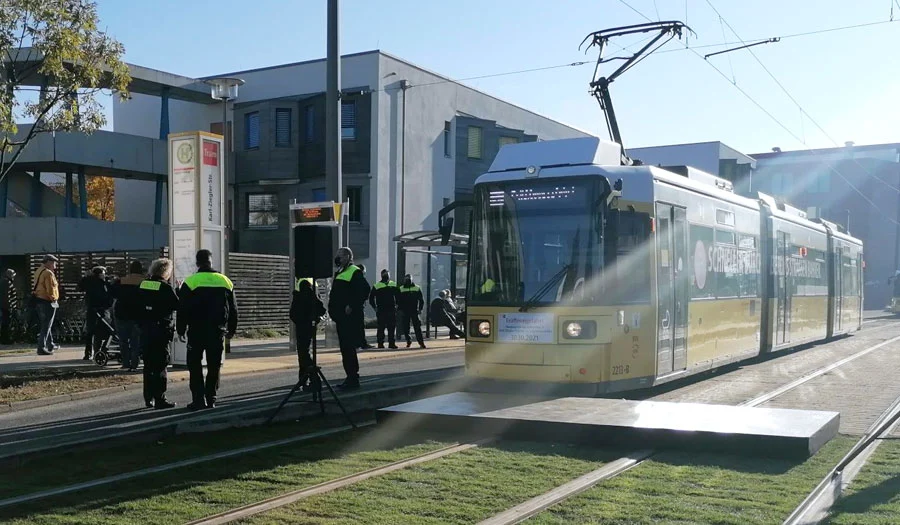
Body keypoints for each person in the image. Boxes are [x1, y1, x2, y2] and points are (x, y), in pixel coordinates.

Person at [177, 250, 238, 411]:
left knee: (195, 365)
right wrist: (232, 329)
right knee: (214, 366)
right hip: (217, 331)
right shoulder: (225, 281)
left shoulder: (190, 282)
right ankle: (211, 398)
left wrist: (181, 329)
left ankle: (198, 399)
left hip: (196, 330)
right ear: (211, 262)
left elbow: (182, 309)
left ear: (197, 263)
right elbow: (233, 309)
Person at [137, 258, 178, 409]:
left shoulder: (144, 284)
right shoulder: (165, 288)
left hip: (146, 330)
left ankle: (148, 398)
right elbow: (176, 304)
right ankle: (160, 398)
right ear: (165, 272)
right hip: (161, 330)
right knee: (160, 365)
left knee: (148, 365)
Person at [327, 247, 370, 390]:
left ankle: (353, 378)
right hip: (340, 317)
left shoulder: (354, 271)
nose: (337, 258)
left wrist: (351, 305)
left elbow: (365, 290)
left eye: (340, 255)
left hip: (348, 318)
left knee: (348, 348)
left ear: (347, 256)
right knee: (345, 349)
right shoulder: (340, 272)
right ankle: (350, 377)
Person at [289, 277, 326, 391]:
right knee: (302, 353)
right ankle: (303, 380)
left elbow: (320, 308)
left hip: (305, 325)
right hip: (303, 325)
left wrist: (310, 319)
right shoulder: (306, 281)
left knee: (304, 353)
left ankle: (314, 379)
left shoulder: (306, 282)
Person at [110, 260, 146, 370]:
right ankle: (135, 363)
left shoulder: (120, 281)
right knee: (136, 341)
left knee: (123, 341)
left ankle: (125, 363)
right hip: (138, 315)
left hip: (121, 314)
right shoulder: (145, 282)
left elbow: (112, 294)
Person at [78, 266, 113, 360]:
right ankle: (101, 351)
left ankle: (88, 353)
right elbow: (108, 295)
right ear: (101, 273)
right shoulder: (103, 282)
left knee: (90, 331)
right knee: (105, 330)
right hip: (102, 309)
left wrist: (85, 277)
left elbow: (80, 287)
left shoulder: (89, 281)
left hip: (92, 308)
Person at [33, 255, 60, 355]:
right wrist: (54, 300)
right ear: (48, 262)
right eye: (54, 262)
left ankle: (50, 344)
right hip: (47, 301)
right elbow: (50, 289)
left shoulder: (39, 270)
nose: (55, 265)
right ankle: (41, 348)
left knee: (45, 324)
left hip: (39, 300)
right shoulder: (48, 273)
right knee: (46, 326)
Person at [369, 269, 399, 349]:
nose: (386, 276)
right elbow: (371, 298)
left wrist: (397, 305)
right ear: (382, 275)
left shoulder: (393, 284)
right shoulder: (377, 286)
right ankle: (380, 343)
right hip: (381, 310)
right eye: (385, 274)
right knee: (381, 328)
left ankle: (391, 343)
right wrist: (375, 308)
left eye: (387, 274)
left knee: (391, 327)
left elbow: (399, 296)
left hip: (391, 309)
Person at [397, 274, 426, 349]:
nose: (408, 281)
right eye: (407, 279)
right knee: (406, 328)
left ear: (412, 279)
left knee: (417, 327)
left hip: (414, 311)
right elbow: (398, 301)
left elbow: (421, 300)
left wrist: (420, 309)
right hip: (405, 311)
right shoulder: (401, 288)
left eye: (409, 279)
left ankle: (421, 342)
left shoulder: (417, 288)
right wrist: (400, 310)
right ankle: (408, 341)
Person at [356, 264, 373, 350]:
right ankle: (362, 343)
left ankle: (357, 343)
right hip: (358, 306)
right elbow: (367, 289)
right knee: (360, 326)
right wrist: (363, 299)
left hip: (350, 306)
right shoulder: (361, 278)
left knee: (354, 326)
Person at [1, 269, 17, 345]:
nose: (14, 277)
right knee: (6, 322)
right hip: (6, 306)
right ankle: (5, 339)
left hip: (4, 305)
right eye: (13, 275)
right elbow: (7, 296)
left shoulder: (3, 281)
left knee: (5, 322)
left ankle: (4, 338)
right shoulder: (7, 282)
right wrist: (10, 306)